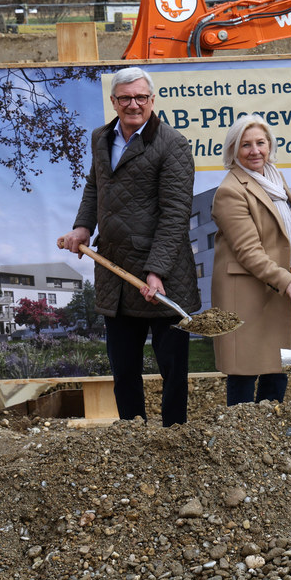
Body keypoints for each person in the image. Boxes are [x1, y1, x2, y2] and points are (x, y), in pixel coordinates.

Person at [58, 66, 200, 427]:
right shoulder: (100, 138)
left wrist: (157, 271)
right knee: (124, 369)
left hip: (164, 277)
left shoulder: (173, 145)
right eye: (125, 98)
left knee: (172, 371)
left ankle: (174, 437)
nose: (133, 104)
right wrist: (82, 227)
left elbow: (175, 214)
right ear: (113, 101)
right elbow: (95, 186)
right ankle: (133, 438)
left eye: (140, 97)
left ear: (152, 100)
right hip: (115, 272)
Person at [210, 114, 291, 406]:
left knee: (277, 369)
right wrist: (286, 280)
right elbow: (248, 251)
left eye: (260, 143)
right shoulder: (230, 191)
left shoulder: (274, 178)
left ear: (269, 145)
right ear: (233, 151)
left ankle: (268, 437)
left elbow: (283, 230)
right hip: (247, 293)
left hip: (276, 286)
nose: (255, 151)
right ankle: (237, 441)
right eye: (245, 145)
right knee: (244, 372)